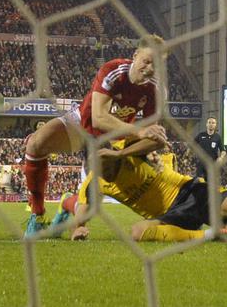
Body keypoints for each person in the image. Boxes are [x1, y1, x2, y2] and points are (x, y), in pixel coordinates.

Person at [22, 35, 169, 237]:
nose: (151, 68)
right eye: (147, 61)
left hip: (114, 138)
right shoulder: (113, 70)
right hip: (82, 122)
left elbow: (152, 129)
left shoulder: (157, 90)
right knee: (36, 144)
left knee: (88, 208)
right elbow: (98, 117)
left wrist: (150, 150)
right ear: (135, 55)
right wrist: (140, 131)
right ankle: (38, 215)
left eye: (157, 65)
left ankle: (66, 204)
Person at [64, 140, 227, 243]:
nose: (104, 172)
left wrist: (148, 150)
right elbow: (82, 215)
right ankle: (212, 235)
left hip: (189, 190)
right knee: (137, 232)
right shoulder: (94, 182)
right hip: (170, 216)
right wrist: (78, 229)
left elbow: (155, 138)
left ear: (115, 155)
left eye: (107, 165)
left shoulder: (128, 147)